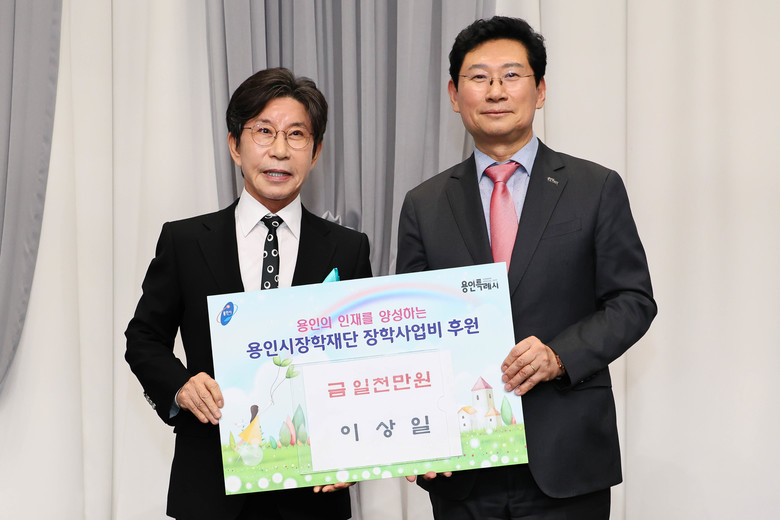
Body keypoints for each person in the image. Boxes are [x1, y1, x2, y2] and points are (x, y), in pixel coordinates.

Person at [397, 16, 656, 519]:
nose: (495, 90)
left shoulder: (594, 187)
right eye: (478, 77)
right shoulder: (424, 204)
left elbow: (633, 301)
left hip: (567, 457)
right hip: (463, 467)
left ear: (540, 91)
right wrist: (416, 433)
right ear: (454, 95)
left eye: (512, 75)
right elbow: (413, 328)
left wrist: (559, 356)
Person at [125, 67, 372, 520]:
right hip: (210, 486)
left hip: (314, 489)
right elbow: (143, 339)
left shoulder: (348, 249)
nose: (279, 150)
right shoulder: (185, 241)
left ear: (316, 151)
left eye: (296, 134)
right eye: (263, 131)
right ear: (235, 145)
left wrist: (353, 452)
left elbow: (362, 360)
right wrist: (180, 386)